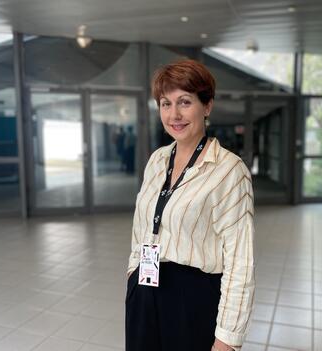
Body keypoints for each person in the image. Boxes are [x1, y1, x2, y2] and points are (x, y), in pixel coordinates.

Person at [125, 59, 255, 351]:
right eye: (165, 103)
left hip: (191, 301)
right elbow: (142, 225)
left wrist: (227, 338)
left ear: (207, 106)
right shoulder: (158, 159)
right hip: (145, 290)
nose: (174, 114)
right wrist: (134, 274)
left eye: (185, 102)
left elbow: (240, 262)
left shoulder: (230, 171)